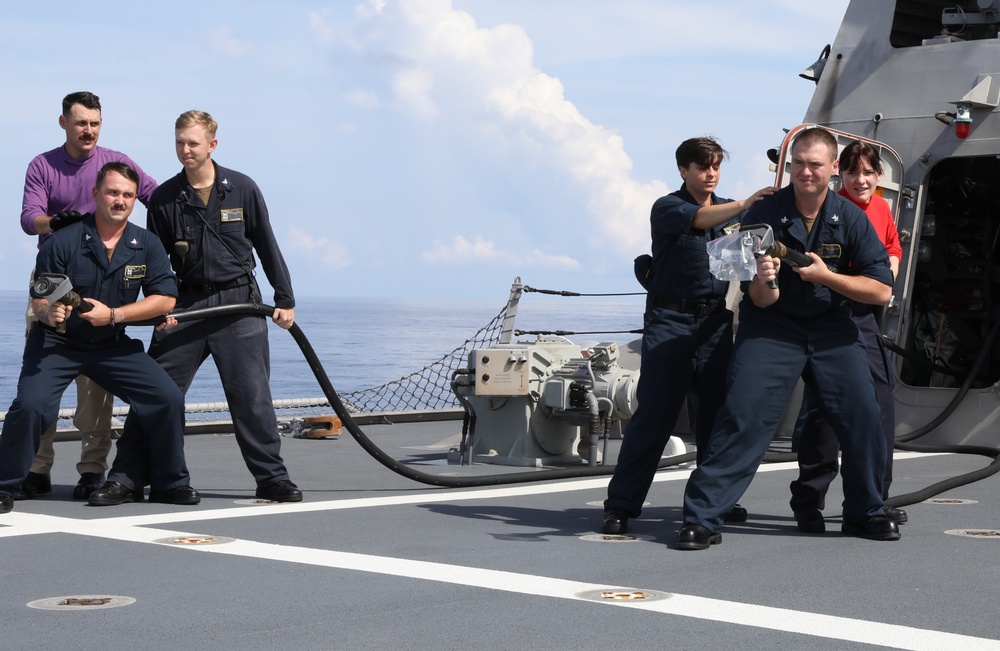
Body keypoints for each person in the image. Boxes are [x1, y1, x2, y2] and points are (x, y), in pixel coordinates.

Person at [676, 126, 899, 550]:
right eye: (797, 163)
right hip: (774, 327)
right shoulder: (764, 215)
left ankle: (865, 512)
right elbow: (758, 300)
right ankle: (703, 518)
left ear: (833, 168)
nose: (805, 172)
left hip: (833, 328)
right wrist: (766, 281)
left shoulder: (851, 217)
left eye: (815, 164)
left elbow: (882, 289)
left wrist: (827, 277)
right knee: (743, 416)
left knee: (863, 418)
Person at [601, 137, 776, 534]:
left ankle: (715, 500)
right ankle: (621, 506)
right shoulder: (667, 208)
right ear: (683, 170)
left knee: (716, 420)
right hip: (670, 323)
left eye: (715, 165)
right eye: (701, 166)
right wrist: (748, 204)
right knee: (655, 417)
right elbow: (698, 219)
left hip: (715, 323)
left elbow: (741, 269)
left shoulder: (731, 217)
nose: (710, 173)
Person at [0, 163, 197, 515]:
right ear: (95, 194)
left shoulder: (146, 244)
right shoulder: (63, 241)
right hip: (57, 344)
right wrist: (49, 313)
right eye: (112, 192)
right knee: (31, 406)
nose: (119, 200)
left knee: (166, 398)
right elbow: (41, 295)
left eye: (127, 195)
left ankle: (170, 483)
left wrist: (115, 315)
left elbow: (165, 299)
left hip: (111, 344)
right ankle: (4, 486)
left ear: (135, 200)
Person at [134, 109, 301, 502]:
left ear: (212, 145)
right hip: (186, 306)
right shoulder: (162, 199)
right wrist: (158, 310)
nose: (185, 150)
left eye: (193, 143)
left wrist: (285, 298)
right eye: (179, 142)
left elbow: (267, 244)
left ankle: (272, 478)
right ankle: (127, 477)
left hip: (238, 304)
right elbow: (156, 265)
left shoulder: (241, 188)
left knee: (252, 398)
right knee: (156, 392)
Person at [18, 91, 157, 500]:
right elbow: (29, 219)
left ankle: (92, 470)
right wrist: (52, 221)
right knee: (41, 379)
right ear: (63, 122)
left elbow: (155, 198)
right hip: (54, 280)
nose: (89, 130)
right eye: (80, 123)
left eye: (95, 123)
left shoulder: (118, 163)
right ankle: (36, 468)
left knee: (96, 386)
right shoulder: (43, 164)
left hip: (107, 274)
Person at [789, 140, 906, 532]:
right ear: (840, 173)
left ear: (879, 176)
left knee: (880, 402)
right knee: (823, 411)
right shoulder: (834, 211)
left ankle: (875, 497)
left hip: (866, 315)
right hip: (834, 315)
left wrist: (886, 268)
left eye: (869, 173)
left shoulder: (881, 209)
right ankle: (809, 499)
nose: (861, 180)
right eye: (853, 172)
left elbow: (892, 247)